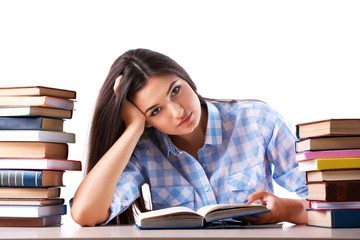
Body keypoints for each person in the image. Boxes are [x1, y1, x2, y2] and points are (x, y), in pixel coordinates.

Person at [71, 48, 308, 227]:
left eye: (175, 90)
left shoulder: (257, 120)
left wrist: (289, 210)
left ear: (186, 78)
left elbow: (336, 203)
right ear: (147, 120)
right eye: (155, 110)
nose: (178, 112)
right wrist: (133, 128)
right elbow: (85, 214)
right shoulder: (145, 151)